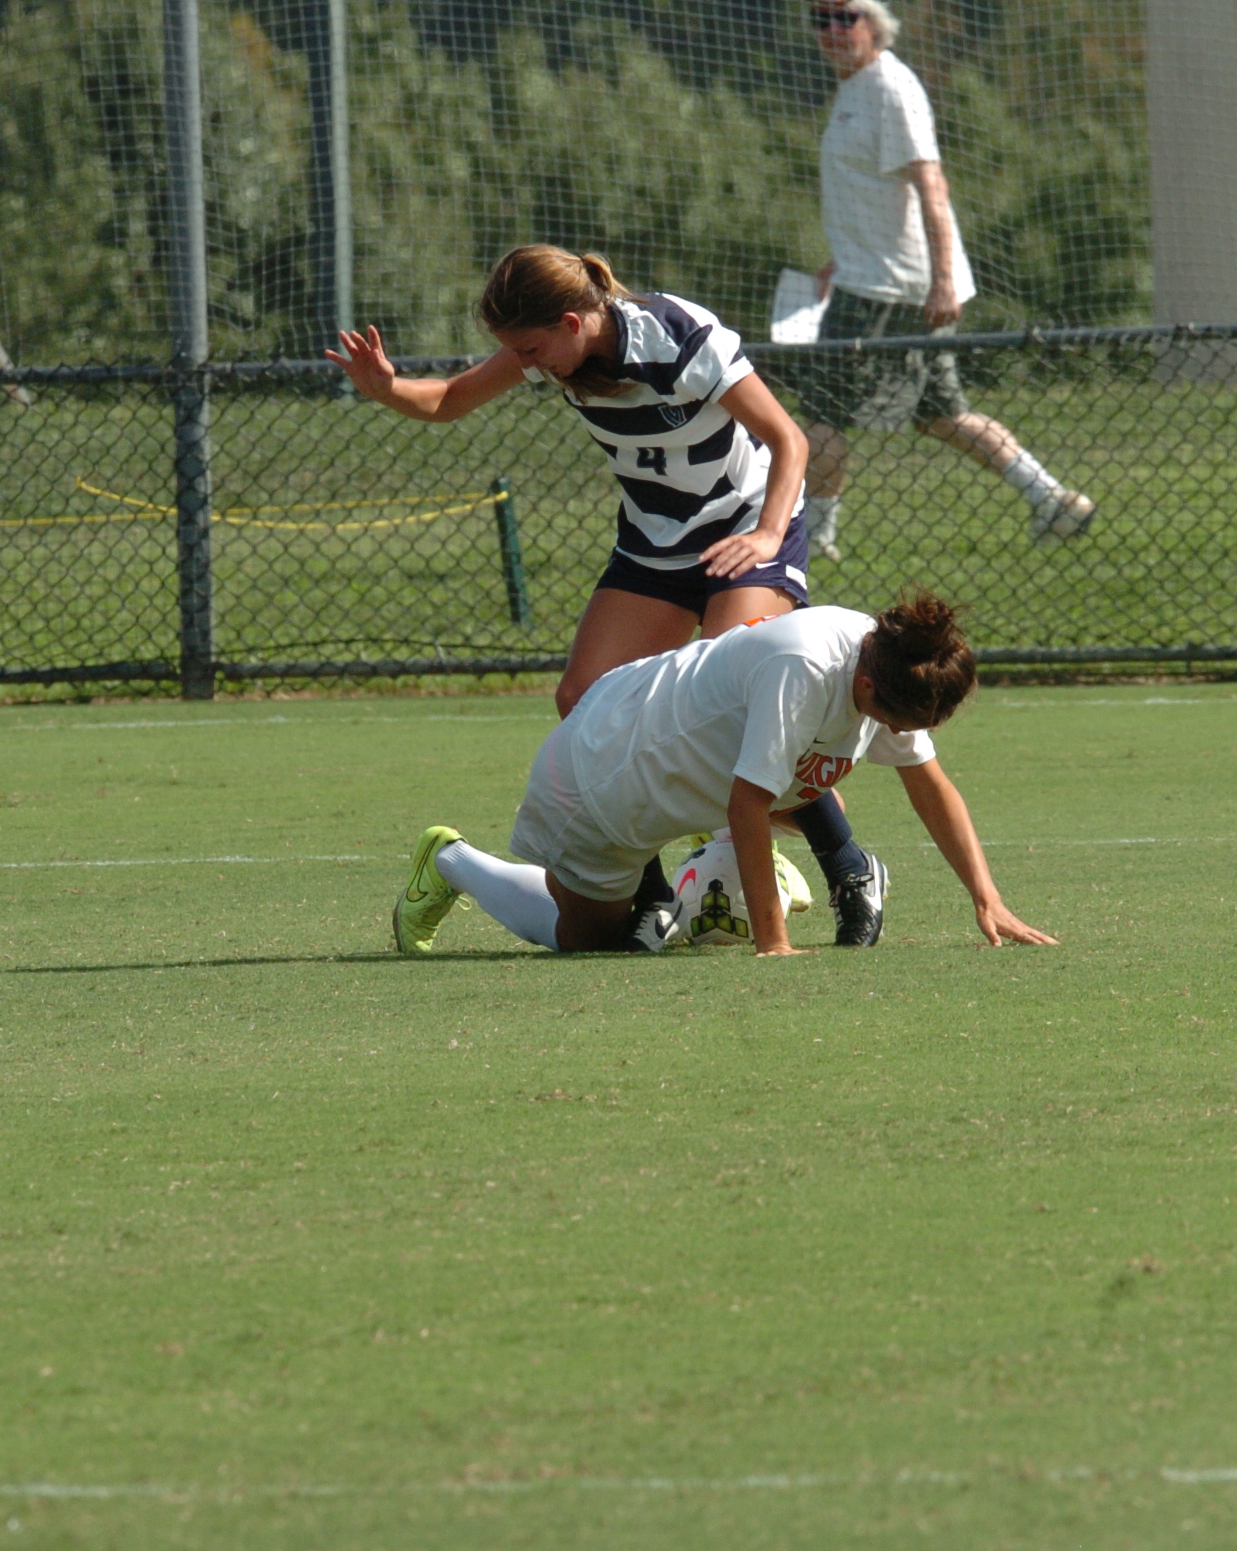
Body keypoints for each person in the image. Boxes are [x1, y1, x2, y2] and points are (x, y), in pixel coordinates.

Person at [328, 246, 889, 943]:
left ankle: (849, 867)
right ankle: (652, 894)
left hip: (746, 530)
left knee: (727, 701)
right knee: (583, 701)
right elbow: (448, 399)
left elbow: (788, 439)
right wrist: (386, 388)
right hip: (654, 546)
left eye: (530, 349)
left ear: (571, 322)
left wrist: (770, 534)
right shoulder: (550, 352)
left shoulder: (678, 335)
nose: (525, 363)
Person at [392, 594, 1056, 958]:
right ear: (865, 684)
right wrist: (775, 944)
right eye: (897, 721)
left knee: (810, 782)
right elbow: (746, 806)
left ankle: (763, 878)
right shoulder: (804, 670)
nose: (903, 735)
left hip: (670, 765)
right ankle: (451, 861)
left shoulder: (889, 662)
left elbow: (931, 785)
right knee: (590, 940)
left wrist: (986, 896)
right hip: (605, 773)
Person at [795, 0, 1096, 563]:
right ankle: (1051, 498)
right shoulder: (856, 88)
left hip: (884, 292)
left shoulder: (890, 89)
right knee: (943, 415)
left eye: (846, 16)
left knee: (822, 415)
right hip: (880, 279)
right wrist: (842, 258)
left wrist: (943, 283)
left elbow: (932, 185)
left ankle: (813, 540)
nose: (832, 29)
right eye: (821, 18)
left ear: (875, 25)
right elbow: (877, 194)